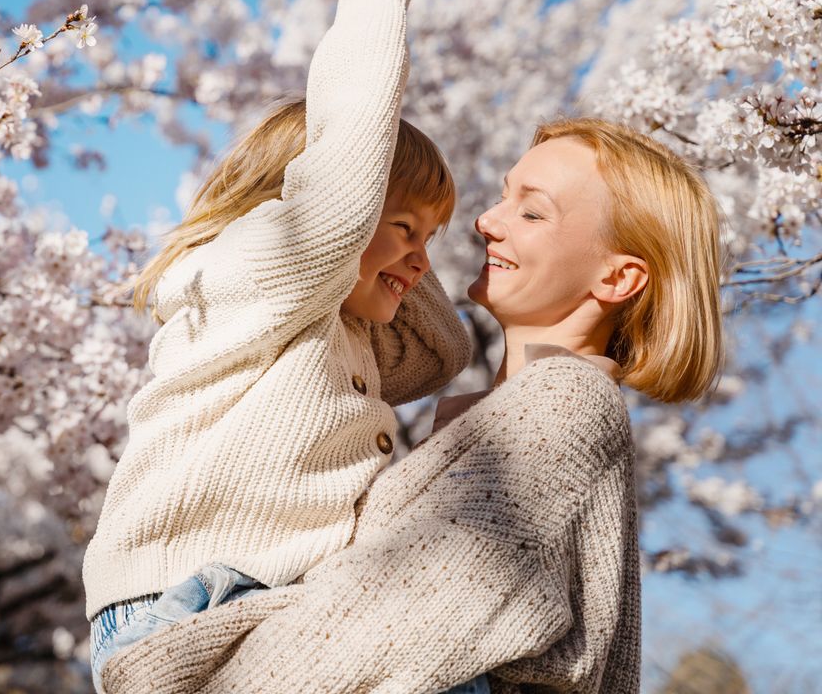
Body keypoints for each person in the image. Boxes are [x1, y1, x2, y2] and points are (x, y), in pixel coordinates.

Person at [97, 117, 724, 694]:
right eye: (503, 194)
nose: (485, 219)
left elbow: (387, 622)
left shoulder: (563, 406)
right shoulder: (511, 415)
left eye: (531, 212)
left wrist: (174, 666)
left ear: (616, 279)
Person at [81, 0, 480, 693]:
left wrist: (395, 254)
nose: (424, 262)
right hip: (193, 592)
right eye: (404, 227)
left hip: (266, 603)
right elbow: (334, 210)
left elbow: (443, 351)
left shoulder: (344, 334)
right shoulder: (254, 272)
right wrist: (374, 15)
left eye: (432, 238)